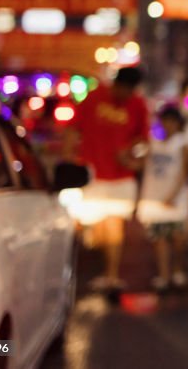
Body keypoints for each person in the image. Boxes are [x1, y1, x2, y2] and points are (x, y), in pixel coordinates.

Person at [64, 66, 149, 292]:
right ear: (116, 85)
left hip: (121, 178)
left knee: (113, 227)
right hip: (93, 176)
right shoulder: (95, 97)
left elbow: (143, 141)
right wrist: (68, 160)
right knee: (97, 229)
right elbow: (73, 129)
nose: (127, 96)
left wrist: (132, 153)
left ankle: (111, 276)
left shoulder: (138, 104)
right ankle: (103, 272)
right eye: (125, 91)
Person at [137, 105, 188, 292]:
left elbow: (185, 170)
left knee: (177, 238)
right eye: (165, 120)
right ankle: (163, 275)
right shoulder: (152, 143)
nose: (168, 125)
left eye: (172, 121)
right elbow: (140, 164)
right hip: (154, 197)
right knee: (159, 238)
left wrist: (174, 195)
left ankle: (177, 269)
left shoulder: (183, 142)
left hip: (175, 199)